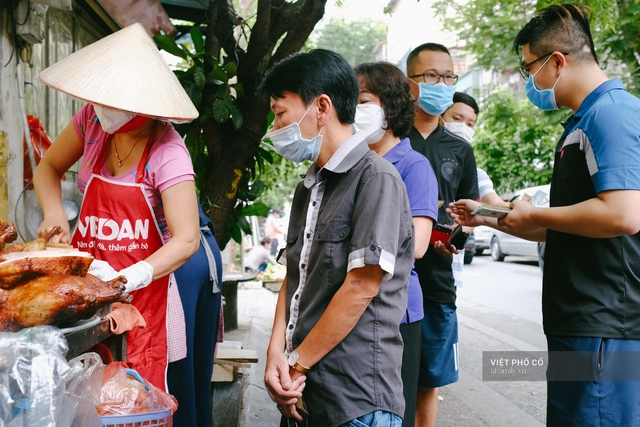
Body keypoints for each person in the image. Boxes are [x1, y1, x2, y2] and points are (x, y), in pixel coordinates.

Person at [449, 4, 640, 426]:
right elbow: (575, 227)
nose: (527, 81)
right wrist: (490, 217)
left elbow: (624, 215)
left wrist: (538, 213)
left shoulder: (611, 114)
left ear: (557, 61)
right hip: (578, 322)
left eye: (527, 68)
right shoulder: (579, 123)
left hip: (605, 324)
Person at [33, 22, 202, 399]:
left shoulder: (168, 152)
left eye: (116, 101)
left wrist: (130, 278)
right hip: (79, 294)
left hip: (141, 301)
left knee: (129, 400)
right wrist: (54, 213)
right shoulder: (91, 122)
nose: (103, 107)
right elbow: (47, 168)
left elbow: (187, 239)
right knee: (75, 396)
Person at [260, 49, 414, 427]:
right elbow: (294, 278)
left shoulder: (375, 178)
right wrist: (276, 354)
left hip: (355, 399)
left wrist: (296, 363)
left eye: (280, 112)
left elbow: (361, 286)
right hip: (302, 391)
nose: (275, 126)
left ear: (322, 107)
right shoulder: (308, 187)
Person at [354, 61, 438, 427]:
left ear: (390, 106)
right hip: (352, 306)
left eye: (364, 100)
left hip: (394, 312)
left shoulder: (413, 166)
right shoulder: (352, 163)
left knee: (390, 411)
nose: (355, 110)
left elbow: (417, 245)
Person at [405, 43, 479, 427]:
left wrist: (454, 242)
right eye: (431, 76)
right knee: (390, 386)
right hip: (390, 286)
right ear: (409, 81)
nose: (442, 84)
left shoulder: (459, 149)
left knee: (427, 387)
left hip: (436, 284)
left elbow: (469, 214)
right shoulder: (388, 139)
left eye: (448, 77)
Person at [442, 92, 506, 206]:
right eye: (457, 118)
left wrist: (520, 209)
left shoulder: (475, 175)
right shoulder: (420, 158)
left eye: (470, 124)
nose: (463, 127)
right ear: (439, 118)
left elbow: (496, 204)